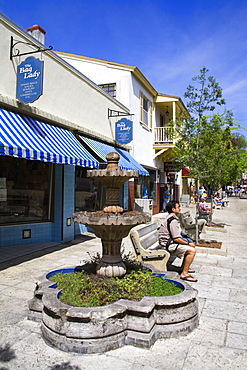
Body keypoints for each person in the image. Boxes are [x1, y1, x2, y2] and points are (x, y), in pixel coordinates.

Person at [158, 200, 197, 282]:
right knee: (192, 251)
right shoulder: (172, 220)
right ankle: (184, 273)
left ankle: (183, 268)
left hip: (168, 242)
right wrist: (188, 243)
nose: (180, 208)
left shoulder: (172, 218)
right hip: (168, 245)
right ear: (173, 209)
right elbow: (176, 238)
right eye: (178, 207)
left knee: (189, 248)